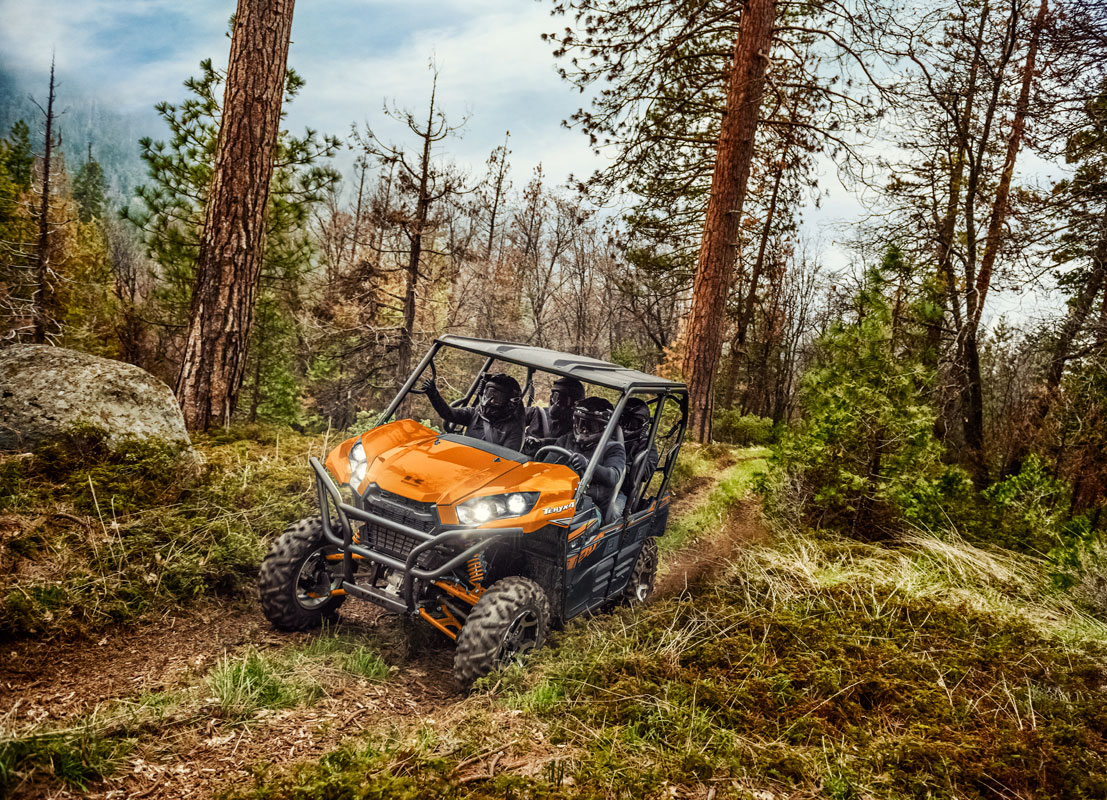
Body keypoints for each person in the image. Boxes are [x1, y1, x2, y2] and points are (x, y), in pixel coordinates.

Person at [541, 396, 626, 517]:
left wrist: (588, 465)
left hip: (592, 503)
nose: (583, 429)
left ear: (604, 427)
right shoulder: (566, 439)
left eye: (590, 425)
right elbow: (546, 467)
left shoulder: (614, 448)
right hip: (562, 496)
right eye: (579, 423)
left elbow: (613, 476)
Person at [419, 372, 526, 451]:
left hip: (485, 472)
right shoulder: (475, 413)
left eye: (497, 398)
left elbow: (507, 462)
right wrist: (433, 395)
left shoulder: (514, 428)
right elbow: (448, 414)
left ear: (510, 402)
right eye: (489, 394)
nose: (490, 401)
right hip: (463, 460)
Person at [618, 398, 659, 504]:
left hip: (621, 493)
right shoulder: (607, 436)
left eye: (632, 423)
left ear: (643, 424)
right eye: (623, 420)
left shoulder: (646, 445)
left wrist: (622, 469)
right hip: (596, 483)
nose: (626, 426)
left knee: (614, 510)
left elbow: (645, 472)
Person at [525, 375, 585, 445]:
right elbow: (515, 416)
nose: (554, 402)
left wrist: (541, 443)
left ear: (575, 404)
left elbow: (569, 442)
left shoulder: (577, 429)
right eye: (553, 395)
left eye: (560, 398)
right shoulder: (538, 413)